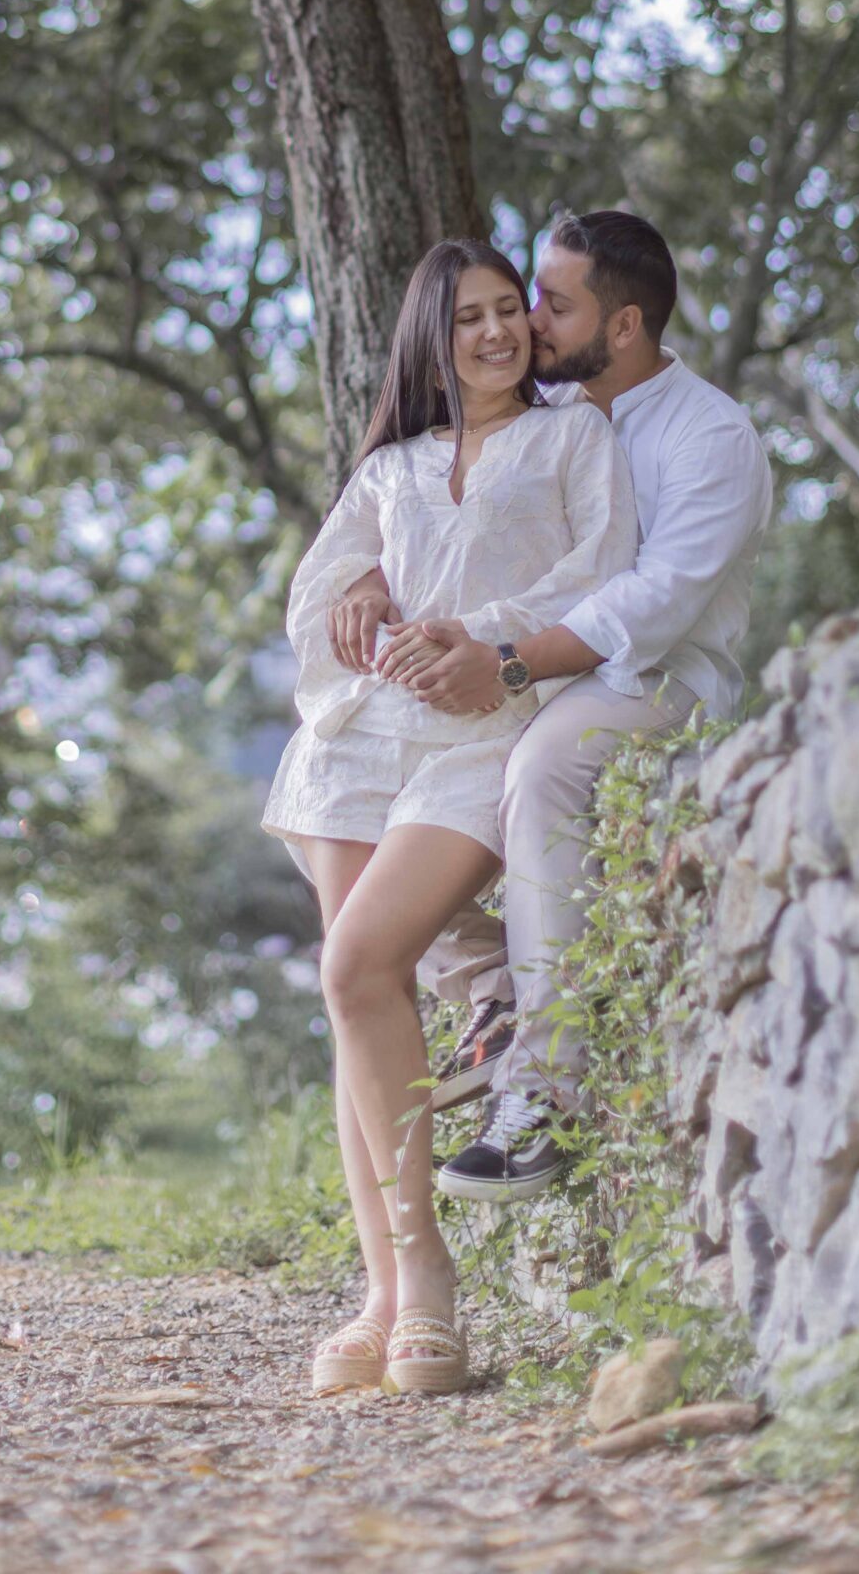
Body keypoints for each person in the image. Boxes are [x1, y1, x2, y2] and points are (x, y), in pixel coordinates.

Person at [328, 210, 774, 1205]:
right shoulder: (540, 414)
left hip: (651, 682)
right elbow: (431, 521)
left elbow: (653, 605)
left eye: (552, 302)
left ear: (620, 326)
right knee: (363, 762)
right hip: (522, 661)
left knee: (543, 766)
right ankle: (490, 983)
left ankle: (544, 1091)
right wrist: (363, 577)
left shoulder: (711, 436)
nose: (528, 320)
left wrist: (507, 663)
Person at [264, 238, 639, 1396]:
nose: (494, 333)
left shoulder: (575, 435)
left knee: (359, 963)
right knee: (356, 997)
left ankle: (426, 1279)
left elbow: (605, 568)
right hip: (360, 745)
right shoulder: (394, 467)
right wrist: (366, 592)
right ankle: (383, 1296)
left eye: (505, 312)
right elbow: (319, 590)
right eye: (467, 317)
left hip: (480, 738)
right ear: (432, 338)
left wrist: (485, 642)